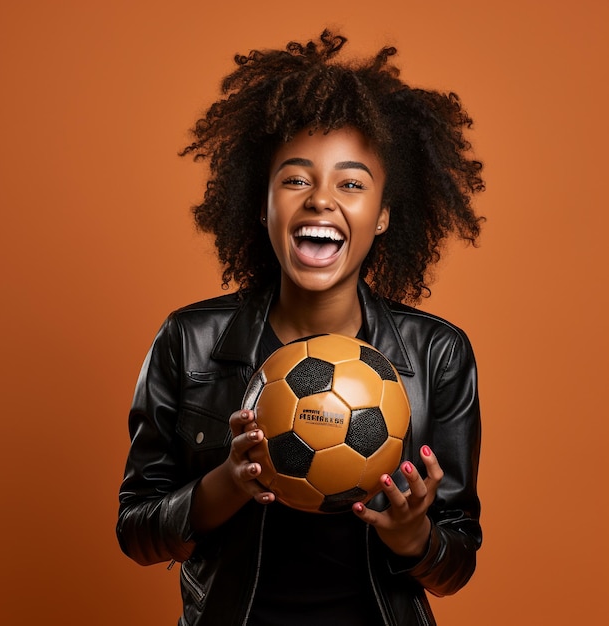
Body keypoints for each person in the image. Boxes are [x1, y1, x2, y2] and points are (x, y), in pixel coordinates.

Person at [117, 30, 484, 626]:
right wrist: (227, 484)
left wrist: (416, 537)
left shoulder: (438, 354)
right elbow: (137, 532)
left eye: (351, 183)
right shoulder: (190, 341)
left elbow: (457, 563)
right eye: (295, 179)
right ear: (261, 204)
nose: (320, 200)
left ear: (384, 214)